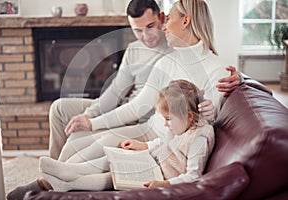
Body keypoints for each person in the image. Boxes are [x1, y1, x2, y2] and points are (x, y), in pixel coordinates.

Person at [7, 0, 241, 198]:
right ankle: (51, 179)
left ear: (186, 21)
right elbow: (139, 104)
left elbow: (209, 117)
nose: (164, 28)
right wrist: (91, 120)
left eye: (168, 19)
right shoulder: (167, 61)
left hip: (163, 139)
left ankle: (45, 186)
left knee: (105, 143)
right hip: (151, 130)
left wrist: (237, 84)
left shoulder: (217, 69)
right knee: (80, 141)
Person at [38, 79, 214, 190]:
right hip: (153, 163)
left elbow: (193, 176)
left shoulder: (199, 138)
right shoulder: (180, 126)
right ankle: (69, 171)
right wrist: (145, 146)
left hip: (160, 177)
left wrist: (165, 184)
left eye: (168, 119)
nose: (165, 124)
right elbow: (163, 142)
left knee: (112, 178)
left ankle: (69, 183)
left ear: (189, 116)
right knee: (113, 159)